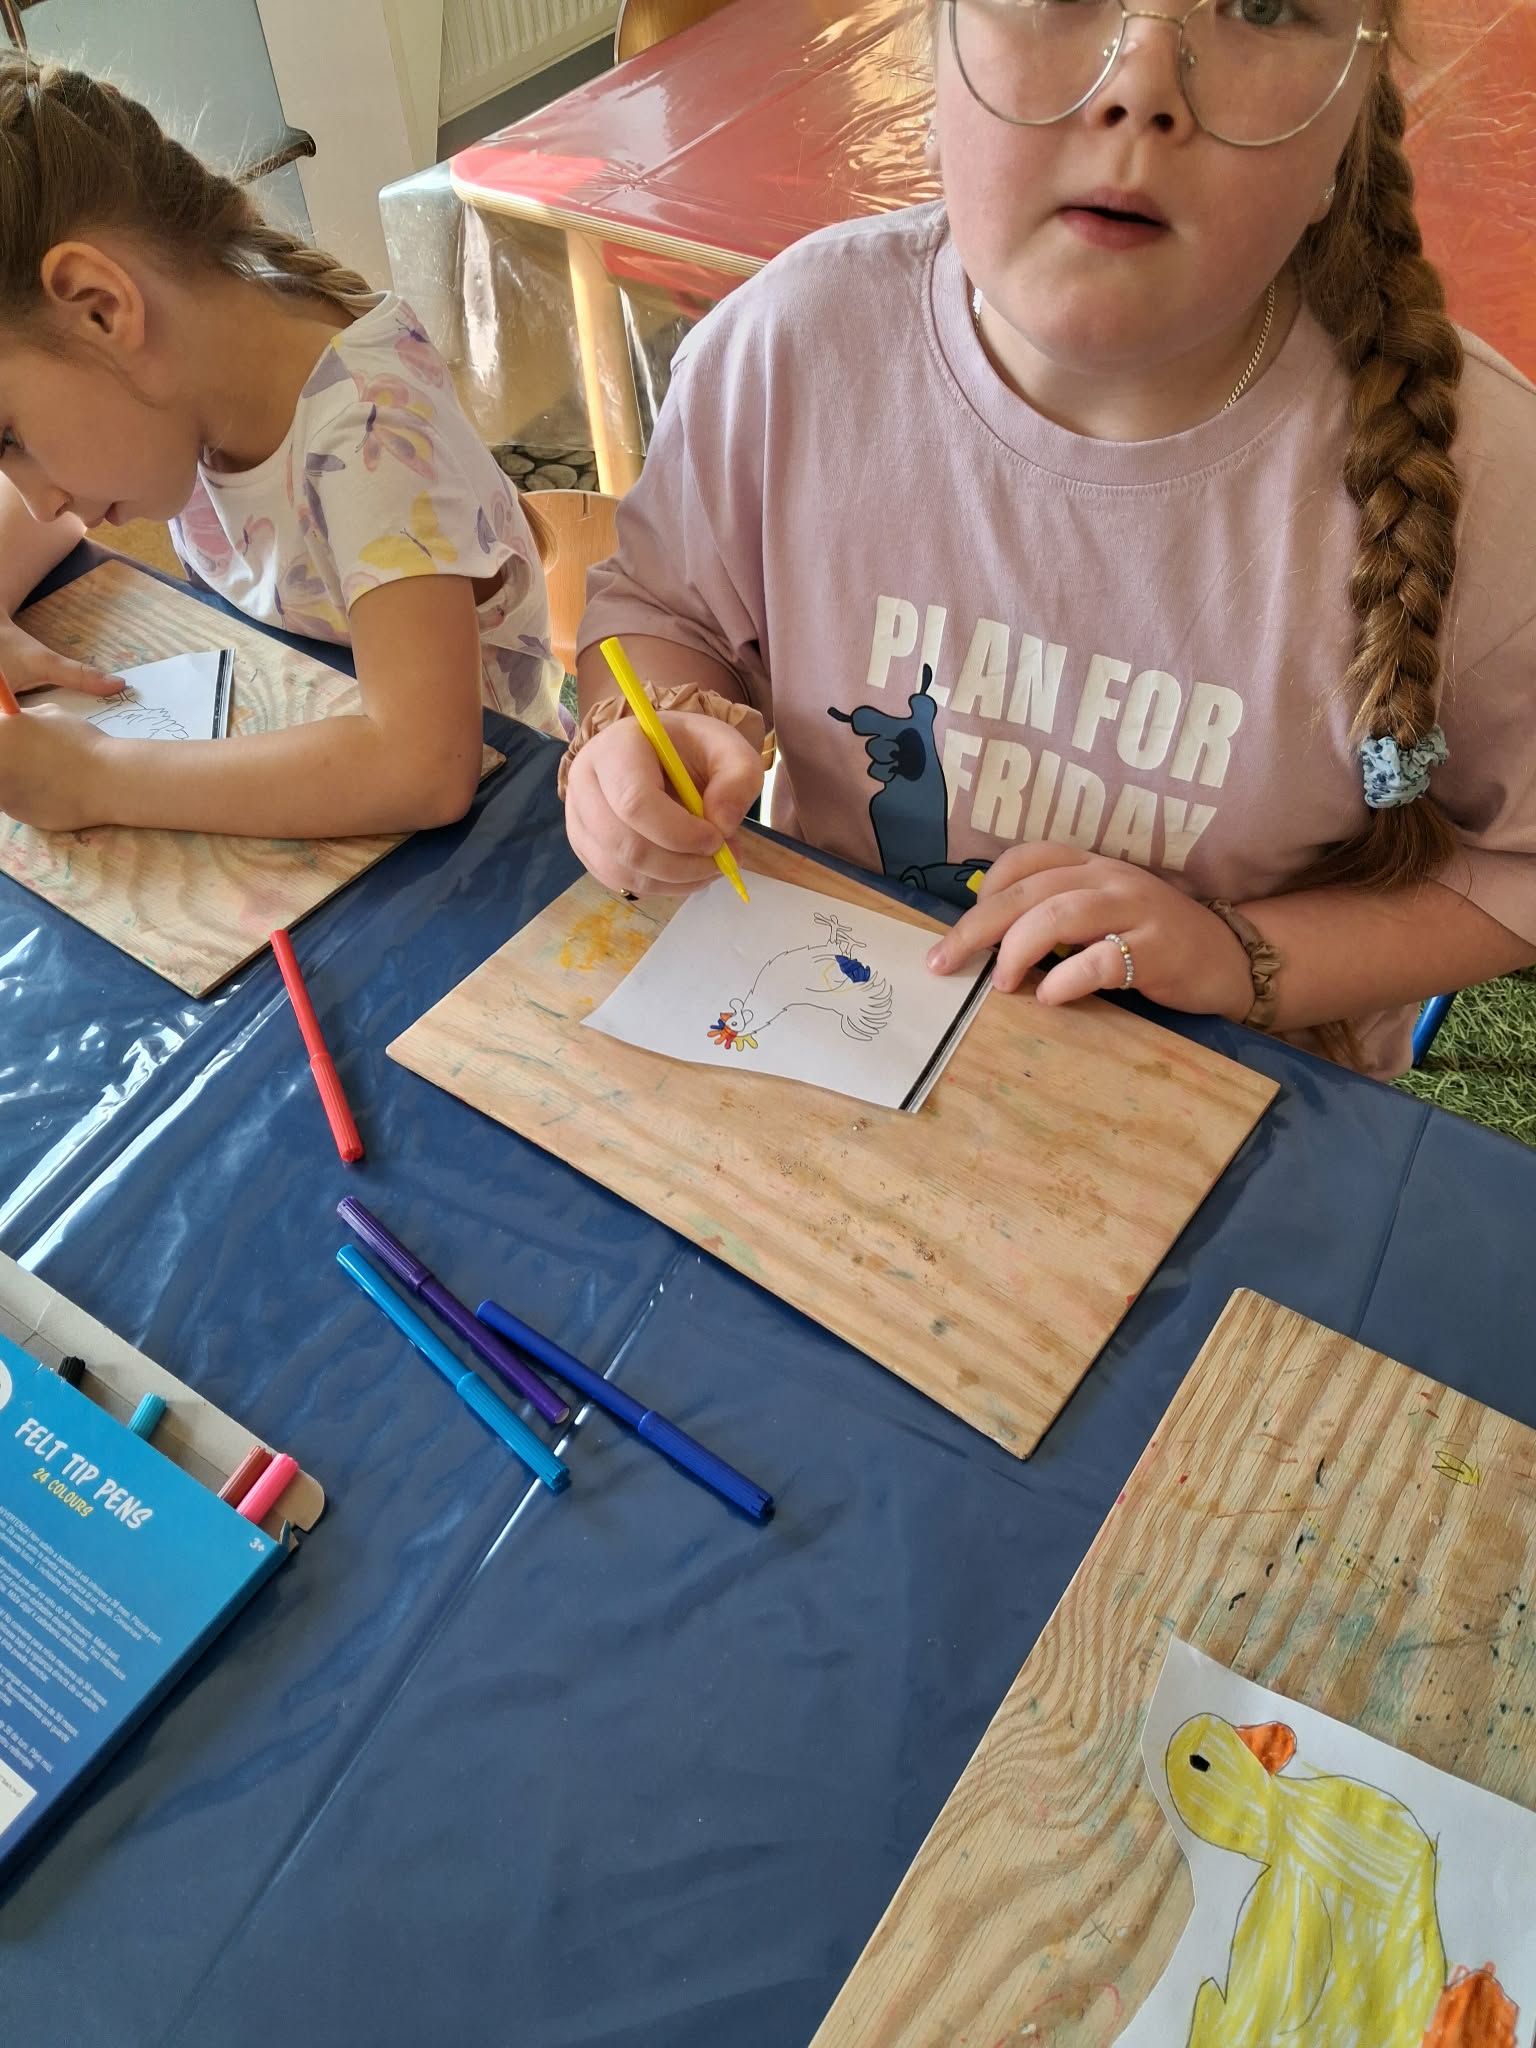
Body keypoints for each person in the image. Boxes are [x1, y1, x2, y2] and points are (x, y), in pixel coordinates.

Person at [564, 0, 1536, 1076]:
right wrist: (650, 736)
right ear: (932, 64)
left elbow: (1519, 866)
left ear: (1348, 127)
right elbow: (665, 613)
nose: (1142, 87)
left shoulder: (1487, 475)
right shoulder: (788, 349)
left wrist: (1246, 957)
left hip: (1230, 1112)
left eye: (1260, 5)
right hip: (835, 1034)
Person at [0, 54, 560, 841]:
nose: (34, 497)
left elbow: (425, 769)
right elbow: (41, 521)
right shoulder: (185, 388)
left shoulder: (369, 438)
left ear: (100, 309)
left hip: (503, 846)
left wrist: (94, 776)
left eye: (11, 438)